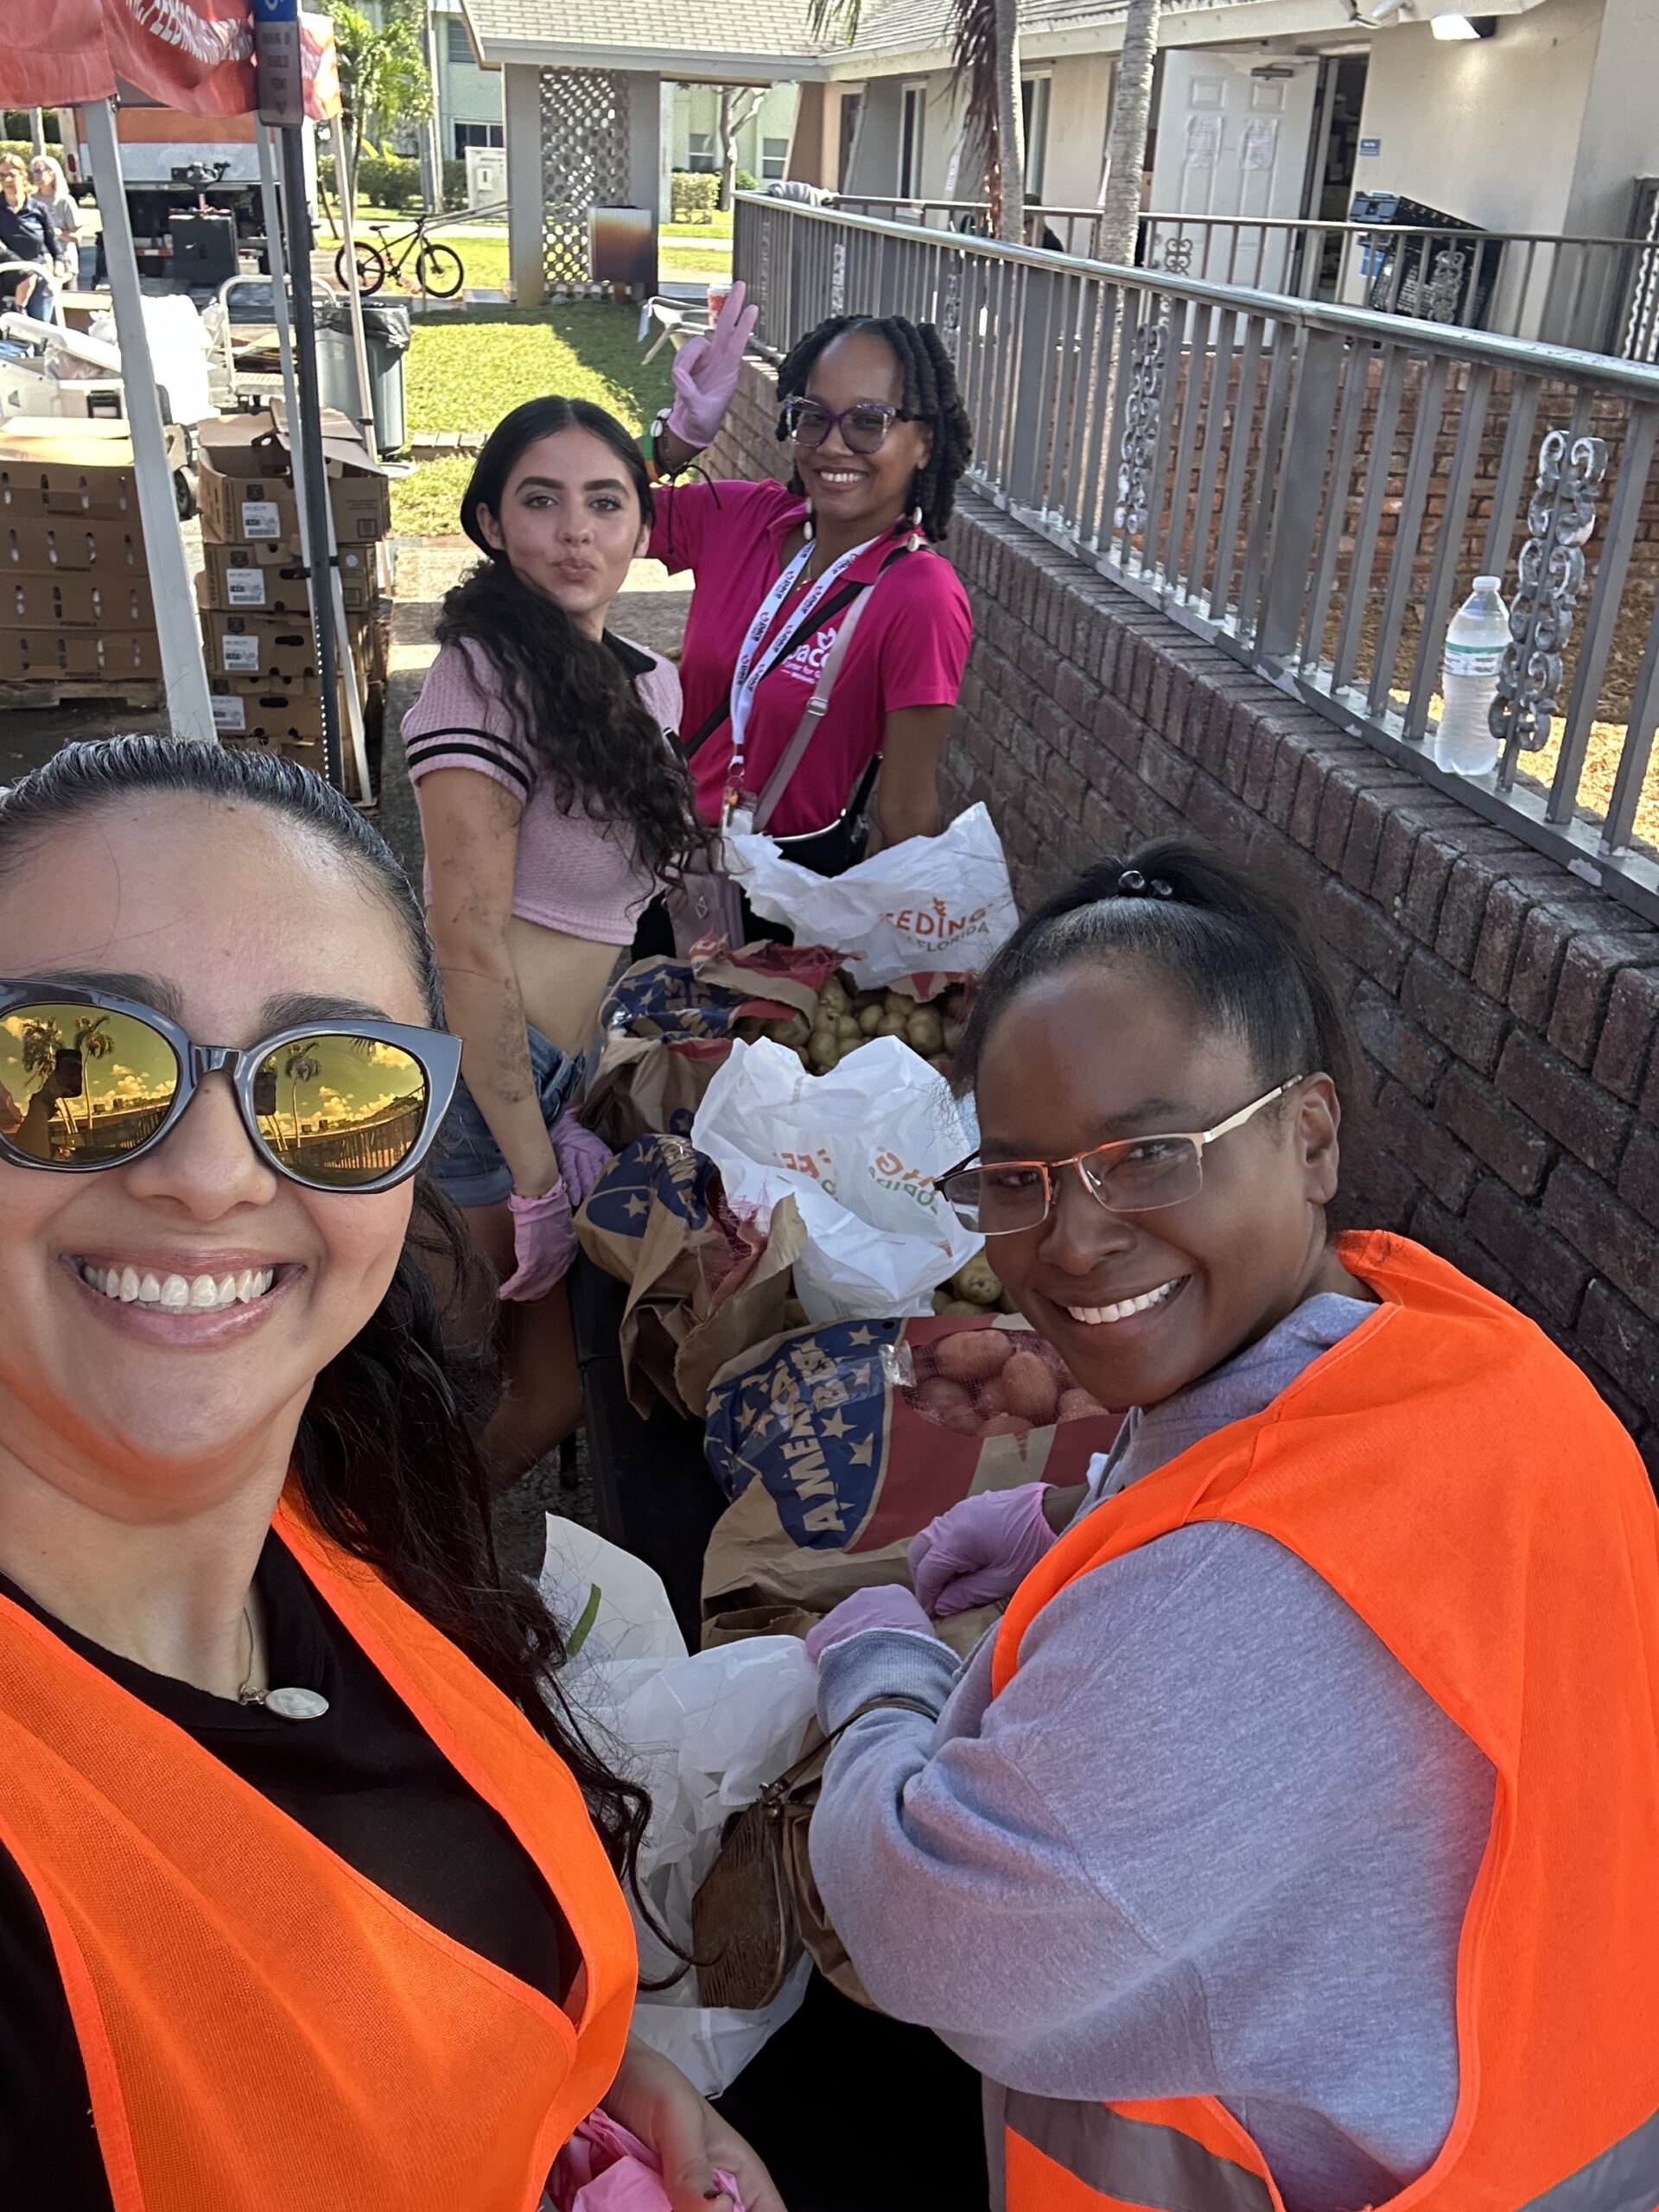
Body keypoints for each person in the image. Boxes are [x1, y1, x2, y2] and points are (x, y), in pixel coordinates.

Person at [801, 839, 1659, 2212]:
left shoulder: (1253, 1602)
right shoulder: (1449, 1348)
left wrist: (879, 1669)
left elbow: (924, 1927)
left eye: (1148, 1155)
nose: (1072, 1242)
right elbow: (1306, 1513)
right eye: (1017, 1180)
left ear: (1308, 1139)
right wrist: (1061, 1530)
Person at [0, 736, 779, 2212]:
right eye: (73, 1066)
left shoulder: (342, 1511)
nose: (214, 1173)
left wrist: (601, 2085)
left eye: (331, 1084)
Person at [403, 397, 710, 1481]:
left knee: (550, 1387)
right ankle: (359, 1590)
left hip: (562, 1073)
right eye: (541, 500)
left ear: (638, 525)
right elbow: (469, 944)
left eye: (605, 502)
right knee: (439, 1383)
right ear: (491, 522)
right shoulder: (481, 681)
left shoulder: (642, 676)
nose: (576, 531)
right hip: (486, 1089)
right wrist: (533, 1168)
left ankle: (422, 1578)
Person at [645, 287, 974, 870]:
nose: (832, 445)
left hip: (790, 904)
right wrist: (675, 442)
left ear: (923, 444)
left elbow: (906, 814)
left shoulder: (920, 595)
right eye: (812, 417)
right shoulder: (742, 519)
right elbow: (571, 515)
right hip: (671, 867)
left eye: (869, 422)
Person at [0, 152, 58, 322]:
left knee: (41, 332)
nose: (7, 180)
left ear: (23, 175)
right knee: (14, 333)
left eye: (11, 174)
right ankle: (19, 311)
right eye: (2, 175)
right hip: (6, 276)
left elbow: (53, 244)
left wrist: (59, 267)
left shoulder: (38, 208)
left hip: (39, 276)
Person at [28, 154, 79, 281]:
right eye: (33, 172)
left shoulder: (65, 201)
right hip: (39, 264)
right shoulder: (30, 200)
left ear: (52, 173)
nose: (36, 176)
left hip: (65, 266)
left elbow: (77, 237)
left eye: (39, 171)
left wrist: (57, 233)